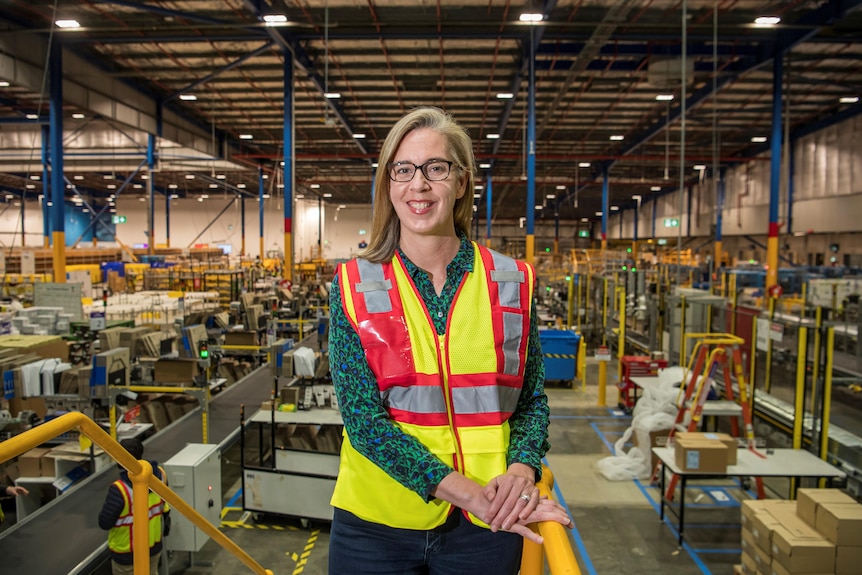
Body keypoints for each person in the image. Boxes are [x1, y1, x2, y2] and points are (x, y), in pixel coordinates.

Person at [328, 106, 572, 575]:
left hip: (485, 530)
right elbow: (364, 422)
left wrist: (523, 469)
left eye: (435, 168)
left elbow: (530, 400)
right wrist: (468, 493)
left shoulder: (512, 281)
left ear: (461, 183)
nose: (418, 184)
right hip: (375, 527)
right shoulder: (353, 285)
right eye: (403, 169)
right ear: (388, 184)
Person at [98, 438, 170, 575]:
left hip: (128, 554)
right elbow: (165, 504)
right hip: (153, 547)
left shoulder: (120, 490)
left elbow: (104, 523)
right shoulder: (160, 475)